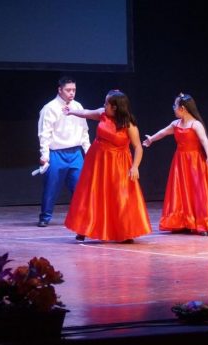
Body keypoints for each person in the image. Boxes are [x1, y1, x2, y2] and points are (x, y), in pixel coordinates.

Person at [64, 90, 151, 243]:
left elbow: (138, 147)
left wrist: (135, 167)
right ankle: (84, 228)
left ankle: (124, 231)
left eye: (107, 104)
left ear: (115, 107)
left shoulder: (128, 124)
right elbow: (86, 112)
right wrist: (72, 111)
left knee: (120, 196)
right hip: (97, 160)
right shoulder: (102, 113)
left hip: (119, 163)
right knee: (90, 193)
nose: (104, 106)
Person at [143, 93, 208, 236]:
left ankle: (202, 223)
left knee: (197, 191)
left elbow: (204, 140)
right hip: (180, 161)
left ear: (183, 108)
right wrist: (151, 140)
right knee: (180, 190)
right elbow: (163, 132)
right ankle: (183, 221)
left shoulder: (195, 124)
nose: (173, 108)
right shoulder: (176, 124)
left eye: (175, 105)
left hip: (195, 162)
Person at [36, 76, 91, 227]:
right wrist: (44, 155)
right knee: (51, 187)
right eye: (68, 90)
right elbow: (44, 133)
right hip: (56, 153)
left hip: (75, 153)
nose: (71, 93)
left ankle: (82, 217)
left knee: (80, 187)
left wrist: (89, 152)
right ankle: (45, 217)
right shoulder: (49, 108)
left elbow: (84, 131)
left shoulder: (78, 106)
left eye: (73, 90)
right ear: (60, 90)